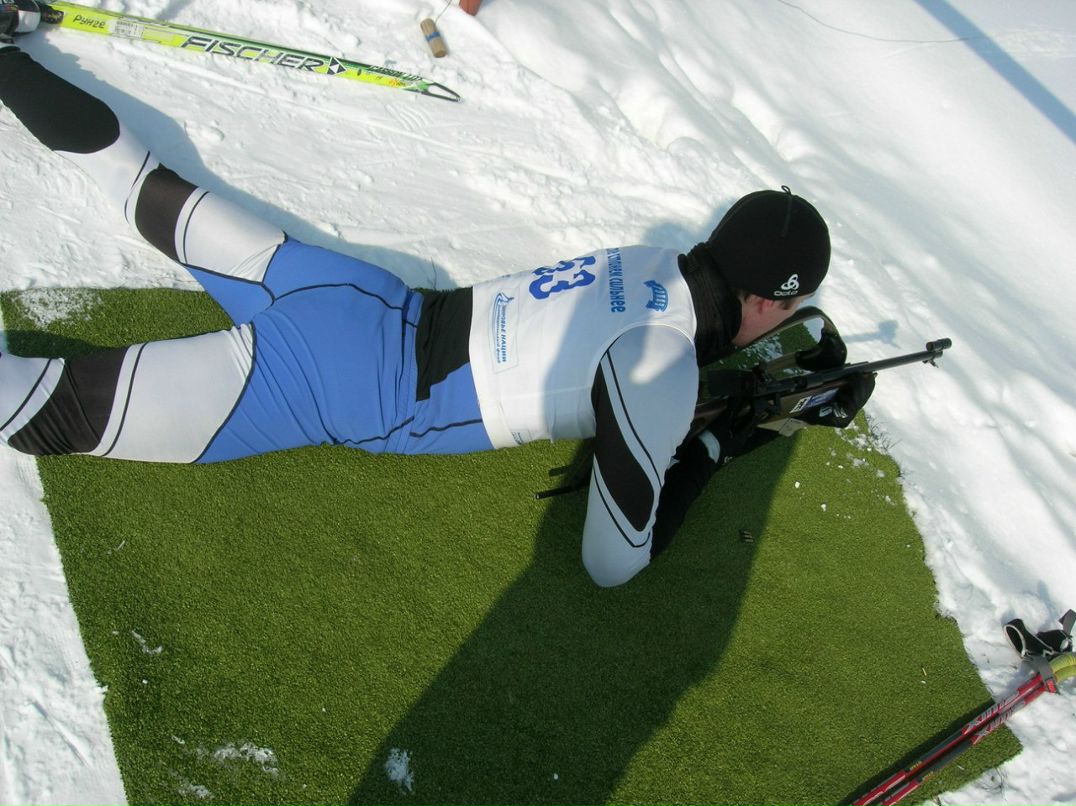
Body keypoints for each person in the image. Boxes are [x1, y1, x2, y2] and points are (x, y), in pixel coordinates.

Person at [0, 4, 871, 587]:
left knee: (154, 193)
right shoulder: (662, 363)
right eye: (789, 312)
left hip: (355, 296)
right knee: (57, 415)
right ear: (767, 301)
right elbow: (613, 561)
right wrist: (713, 452)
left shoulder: (652, 262)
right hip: (338, 379)